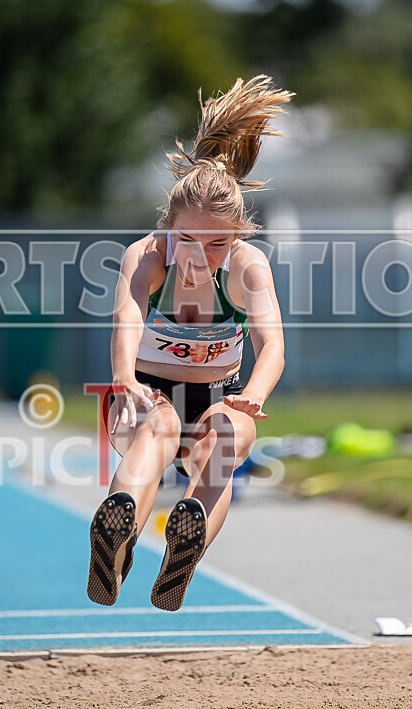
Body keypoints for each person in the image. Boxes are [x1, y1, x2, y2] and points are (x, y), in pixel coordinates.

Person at [87, 75, 292, 611]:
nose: (201, 255)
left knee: (228, 436)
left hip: (219, 395)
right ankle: (118, 530)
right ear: (167, 229)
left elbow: (272, 345)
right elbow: (127, 317)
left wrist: (254, 395)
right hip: (148, 392)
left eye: (218, 242)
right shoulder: (146, 256)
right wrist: (126, 380)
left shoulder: (249, 267)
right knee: (159, 426)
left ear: (240, 235)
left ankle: (187, 540)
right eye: (188, 240)